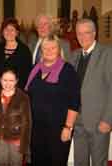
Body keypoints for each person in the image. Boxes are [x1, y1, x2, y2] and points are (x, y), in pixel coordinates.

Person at [69, 18, 112, 166]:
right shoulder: (74, 55)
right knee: (80, 162)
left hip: (99, 121)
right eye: (79, 33)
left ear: (94, 33)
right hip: (77, 120)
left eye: (86, 33)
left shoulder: (107, 53)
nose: (82, 37)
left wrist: (108, 119)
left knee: (99, 162)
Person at [25, 34, 80, 165]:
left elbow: (74, 101)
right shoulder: (35, 69)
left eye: (53, 48)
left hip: (58, 128)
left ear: (59, 49)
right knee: (37, 161)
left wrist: (68, 127)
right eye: (45, 48)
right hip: (37, 129)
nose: (49, 51)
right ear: (41, 50)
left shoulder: (67, 70)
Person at [0, 67, 31, 166]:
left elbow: (27, 122)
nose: (8, 83)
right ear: (0, 80)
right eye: (5, 80)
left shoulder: (23, 97)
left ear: (16, 81)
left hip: (16, 140)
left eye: (11, 80)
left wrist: (24, 144)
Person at [0, 18, 32, 92]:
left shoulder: (24, 50)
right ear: (2, 32)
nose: (9, 32)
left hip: (17, 93)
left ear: (17, 32)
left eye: (12, 30)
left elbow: (26, 75)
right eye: (6, 29)